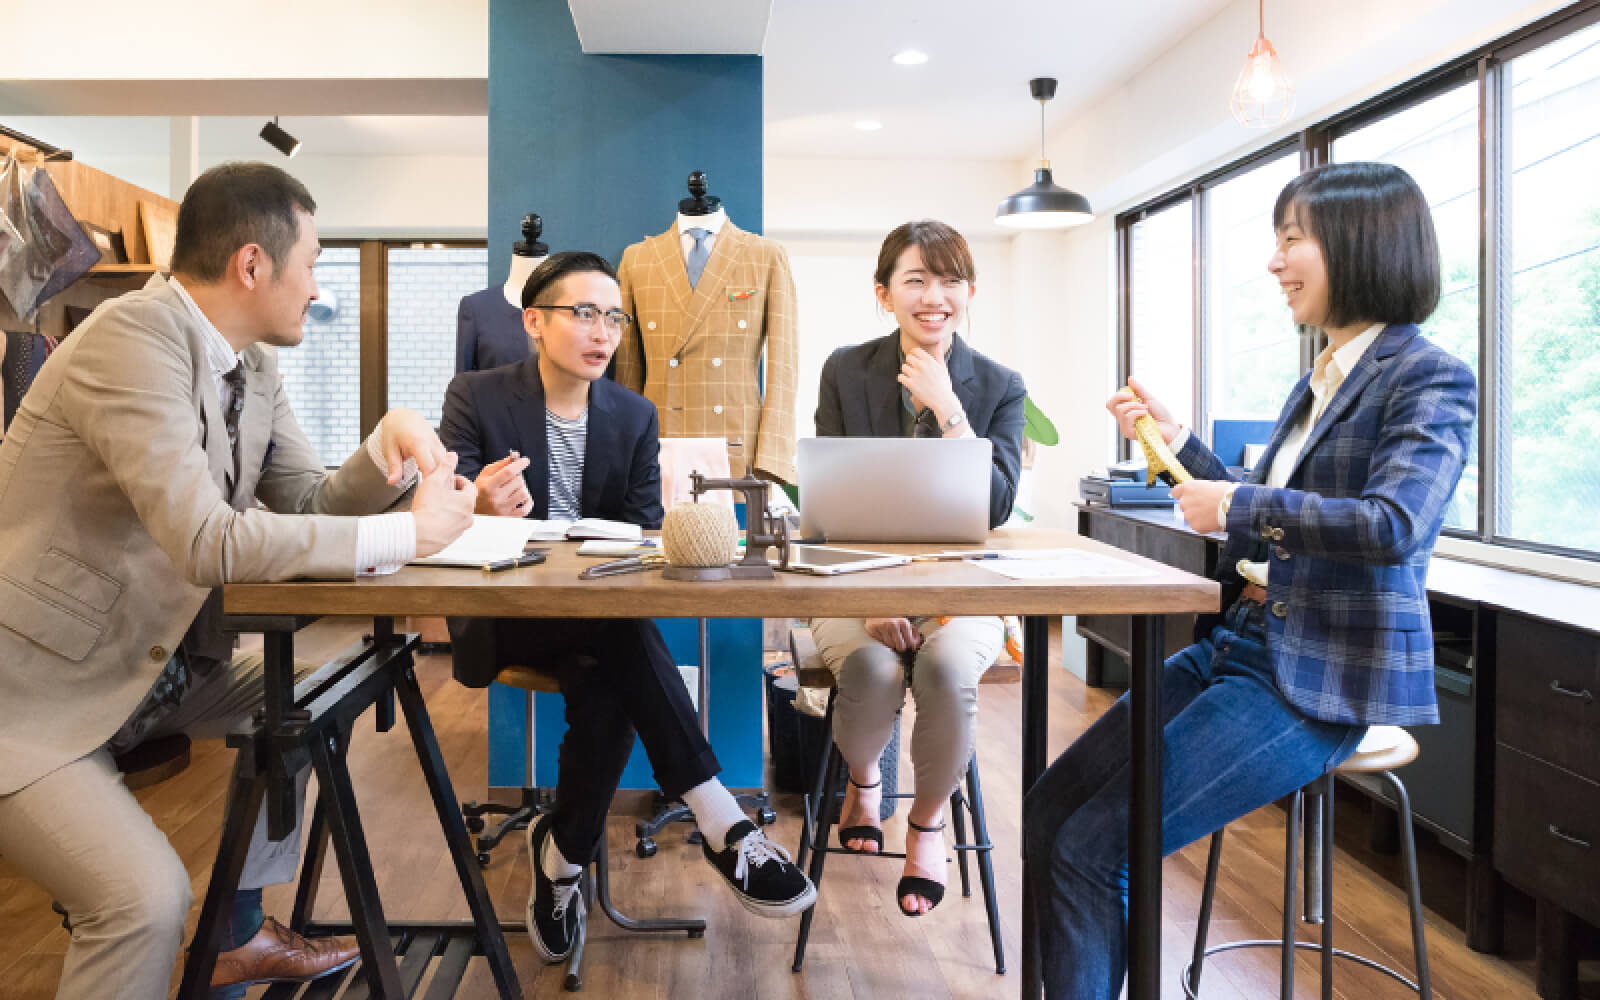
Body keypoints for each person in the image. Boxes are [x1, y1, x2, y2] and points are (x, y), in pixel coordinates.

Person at [0, 161, 479, 1000]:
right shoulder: (130, 338)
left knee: (314, 702)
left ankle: (239, 931)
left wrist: (386, 444)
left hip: (149, 669)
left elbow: (308, 501)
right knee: (143, 902)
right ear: (252, 264)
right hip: (35, 696)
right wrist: (408, 533)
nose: (318, 286)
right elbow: (205, 541)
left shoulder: (251, 366)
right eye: (314, 263)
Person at [1023, 161, 1477, 999]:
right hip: (1239, 643)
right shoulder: (1322, 379)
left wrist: (1236, 498)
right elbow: (1264, 515)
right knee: (1052, 811)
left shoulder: (1430, 376)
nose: (1275, 262)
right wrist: (1179, 444)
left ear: (1360, 243)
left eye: (1292, 240)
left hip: (1313, 678)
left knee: (1092, 846)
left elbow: (1394, 523)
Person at [438, 251, 816, 965]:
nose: (603, 332)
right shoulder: (477, 396)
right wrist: (479, 503)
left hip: (597, 617)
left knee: (611, 668)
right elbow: (442, 508)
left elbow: (643, 532)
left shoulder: (634, 415)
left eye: (614, 317)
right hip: (506, 612)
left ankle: (562, 862)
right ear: (534, 321)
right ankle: (720, 820)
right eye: (584, 313)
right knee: (619, 636)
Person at [810, 219, 1025, 916]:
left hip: (962, 591)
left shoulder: (999, 385)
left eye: (951, 280)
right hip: (859, 587)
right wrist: (870, 600)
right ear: (884, 293)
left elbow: (996, 505)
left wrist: (949, 408)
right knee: (872, 670)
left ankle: (927, 825)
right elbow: (830, 503)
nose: (935, 296)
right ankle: (865, 781)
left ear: (970, 292)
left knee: (948, 669)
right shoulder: (847, 370)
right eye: (916, 280)